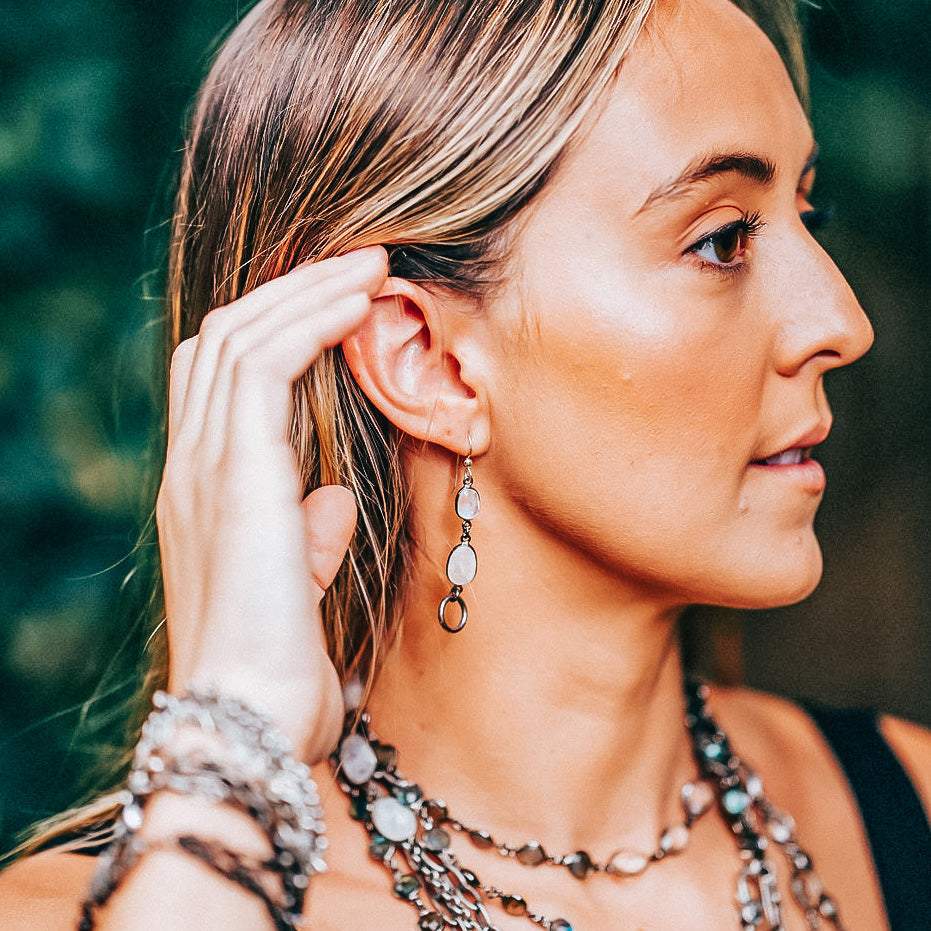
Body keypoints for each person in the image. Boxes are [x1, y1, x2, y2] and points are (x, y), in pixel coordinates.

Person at [1, 0, 929, 927]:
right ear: (427, 361)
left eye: (808, 212)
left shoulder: (908, 803)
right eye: (721, 239)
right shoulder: (77, 908)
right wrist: (230, 747)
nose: (841, 322)